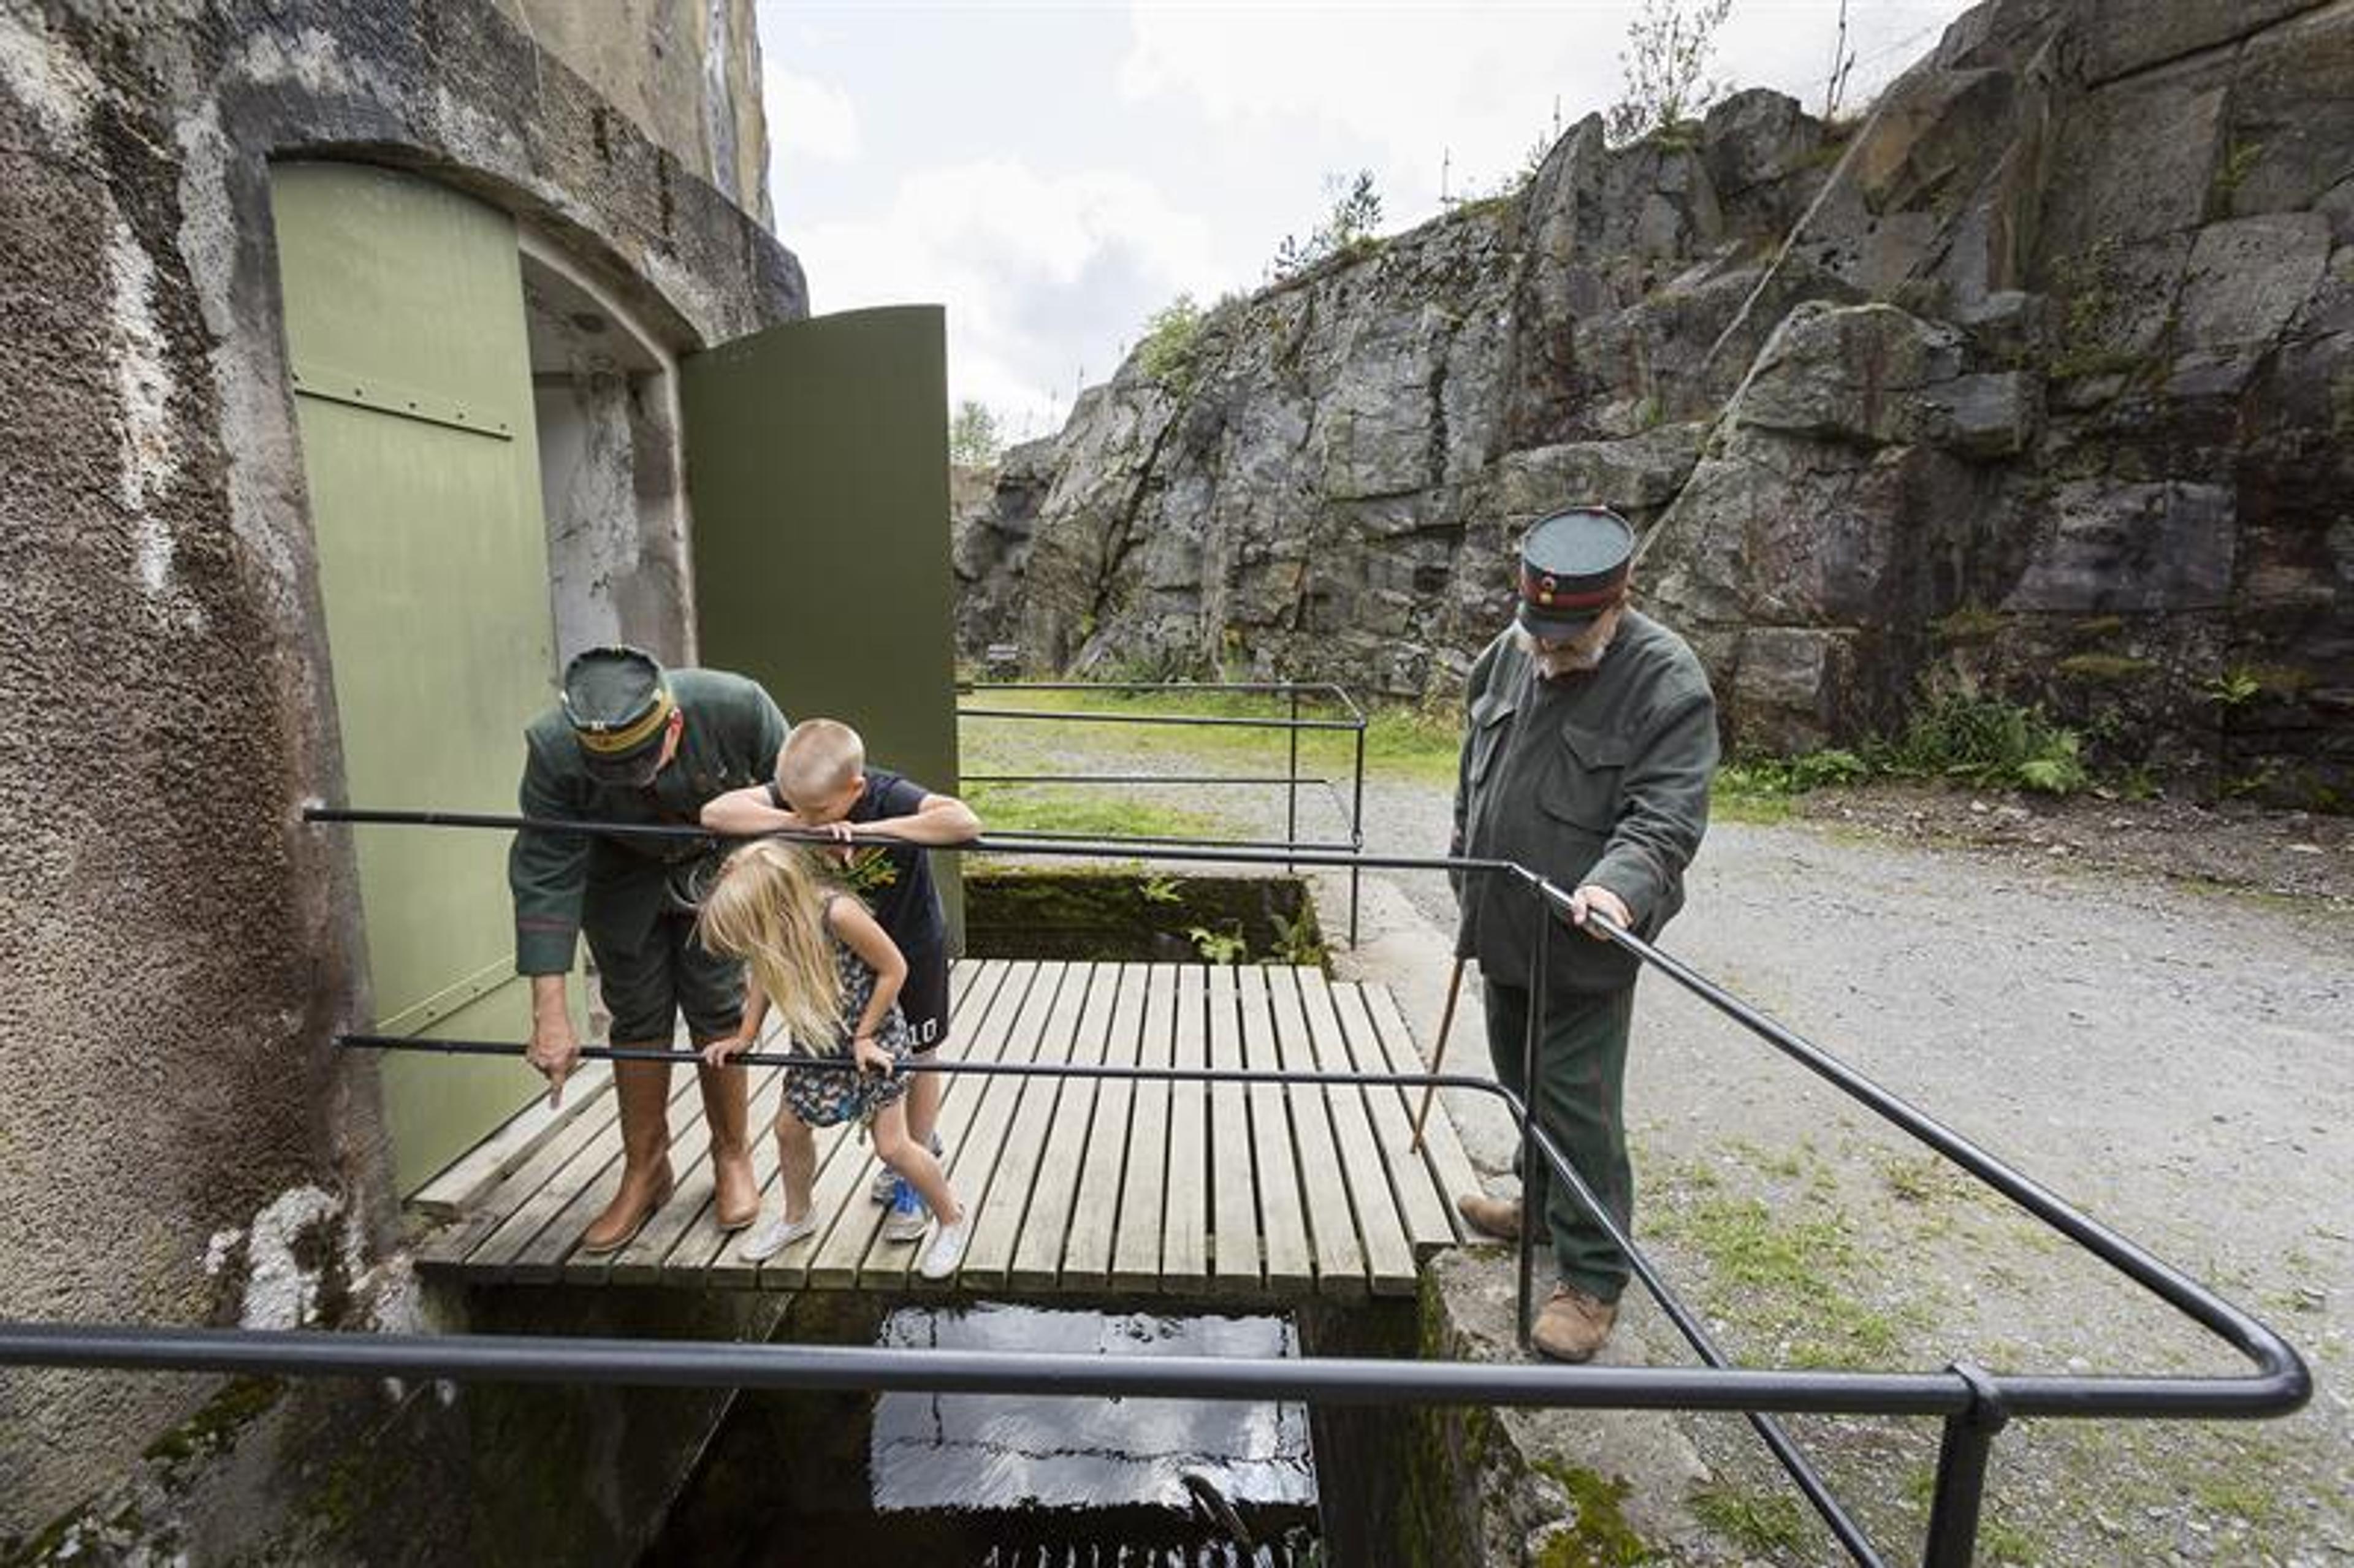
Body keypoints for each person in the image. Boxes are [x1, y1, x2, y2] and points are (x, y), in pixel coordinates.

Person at [1449, 505, 1717, 1362]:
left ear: (1619, 600)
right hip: (1498, 921)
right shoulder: (1508, 651)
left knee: (1577, 1102)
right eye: (1542, 629)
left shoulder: (1666, 680)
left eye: (1572, 634)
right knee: (1518, 1078)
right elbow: (1473, 771)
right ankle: (1538, 1206)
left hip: (1583, 937)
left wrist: (1616, 890)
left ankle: (1592, 1276)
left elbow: (1665, 818)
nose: (1550, 650)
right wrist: (1463, 861)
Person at [509, 645, 788, 1254]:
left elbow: (797, 798)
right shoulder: (553, 748)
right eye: (613, 772)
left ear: (676, 724)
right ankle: (646, 1168)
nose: (635, 780)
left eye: (643, 763)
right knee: (635, 1010)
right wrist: (550, 1013)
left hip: (719, 866)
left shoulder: (737, 704)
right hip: (619, 875)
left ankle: (732, 1155)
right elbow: (545, 868)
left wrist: (766, 888)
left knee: (718, 1002)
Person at [701, 719, 979, 1237]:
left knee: (918, 1052)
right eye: (795, 803)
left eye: (821, 810)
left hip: (909, 943)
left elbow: (962, 822)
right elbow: (715, 813)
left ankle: (910, 1178)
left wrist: (868, 831)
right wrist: (801, 822)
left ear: (854, 789)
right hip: (839, 956)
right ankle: (876, 1173)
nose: (808, 816)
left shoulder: (886, 794)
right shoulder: (803, 795)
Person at [696, 840, 973, 1280]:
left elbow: (894, 968)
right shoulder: (777, 928)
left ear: (777, 902)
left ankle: (952, 1219)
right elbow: (765, 978)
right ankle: (798, 1215)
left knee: (894, 1146)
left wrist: (864, 1035)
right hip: (817, 1042)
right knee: (788, 1129)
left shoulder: (837, 913)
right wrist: (745, 1036)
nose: (752, 942)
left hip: (873, 1039)